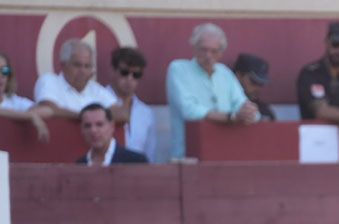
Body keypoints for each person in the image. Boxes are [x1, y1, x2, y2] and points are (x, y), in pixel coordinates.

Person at [166, 23, 259, 159]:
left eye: (214, 51)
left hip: (226, 154)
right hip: (188, 157)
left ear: (221, 53)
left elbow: (242, 105)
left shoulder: (225, 73)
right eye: (203, 50)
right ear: (194, 48)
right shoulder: (178, 69)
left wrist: (249, 112)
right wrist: (232, 117)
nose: (208, 55)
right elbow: (190, 111)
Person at [34, 39, 125, 122]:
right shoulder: (50, 81)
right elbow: (48, 109)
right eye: (77, 65)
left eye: (87, 66)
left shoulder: (96, 89)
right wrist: (86, 118)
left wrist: (86, 118)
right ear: (63, 65)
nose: (83, 71)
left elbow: (121, 114)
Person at [108, 46, 156, 162]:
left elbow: (150, 155)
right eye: (124, 72)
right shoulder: (98, 101)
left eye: (136, 75)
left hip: (138, 174)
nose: (130, 79)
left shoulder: (146, 113)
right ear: (113, 71)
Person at [0, 51, 51, 141]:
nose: (1, 76)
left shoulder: (13, 100)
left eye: (4, 70)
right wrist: (30, 116)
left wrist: (31, 114)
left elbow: (47, 110)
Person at [76, 103, 148, 165]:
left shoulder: (136, 161)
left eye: (99, 124)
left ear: (111, 127)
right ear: (82, 130)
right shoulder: (79, 165)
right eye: (87, 126)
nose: (93, 130)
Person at [234, 53, 275, 121]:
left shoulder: (264, 111)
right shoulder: (224, 106)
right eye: (254, 81)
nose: (257, 88)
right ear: (238, 76)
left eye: (261, 83)